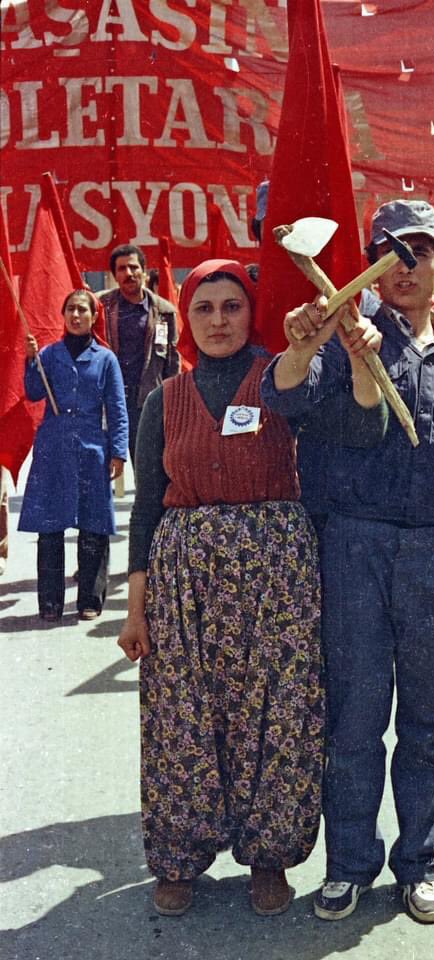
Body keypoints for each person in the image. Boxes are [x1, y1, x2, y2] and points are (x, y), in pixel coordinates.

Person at [117, 259, 387, 919]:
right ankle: (180, 859)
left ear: (251, 313)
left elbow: (362, 429)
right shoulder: (163, 399)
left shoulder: (283, 377)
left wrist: (357, 360)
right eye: (204, 308)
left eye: (231, 307)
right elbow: (146, 509)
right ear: (186, 317)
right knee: (183, 717)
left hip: (277, 578)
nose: (218, 321)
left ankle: (270, 858)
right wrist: (135, 611)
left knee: (280, 715)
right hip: (185, 583)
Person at [262, 199, 434, 925]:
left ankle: (421, 864)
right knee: (355, 720)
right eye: (390, 255)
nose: (405, 267)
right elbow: (287, 398)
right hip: (355, 547)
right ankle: (350, 866)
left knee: (430, 721)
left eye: (419, 253)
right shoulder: (344, 330)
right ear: (371, 266)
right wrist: (312, 341)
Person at [18, 290, 128, 621]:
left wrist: (118, 452)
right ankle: (50, 602)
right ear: (63, 314)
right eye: (70, 309)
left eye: (82, 310)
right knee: (50, 525)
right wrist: (30, 361)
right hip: (54, 448)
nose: (76, 315)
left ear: (94, 317)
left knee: (94, 525)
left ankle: (90, 599)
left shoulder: (106, 359)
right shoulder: (49, 354)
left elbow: (117, 408)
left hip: (92, 449)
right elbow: (33, 392)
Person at [100, 244, 180, 462]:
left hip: (146, 401)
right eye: (122, 268)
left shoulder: (164, 311)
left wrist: (169, 402)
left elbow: (172, 362)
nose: (129, 273)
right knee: (102, 465)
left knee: (146, 465)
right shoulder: (100, 306)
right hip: (107, 400)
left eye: (134, 267)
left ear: (144, 271)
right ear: (114, 275)